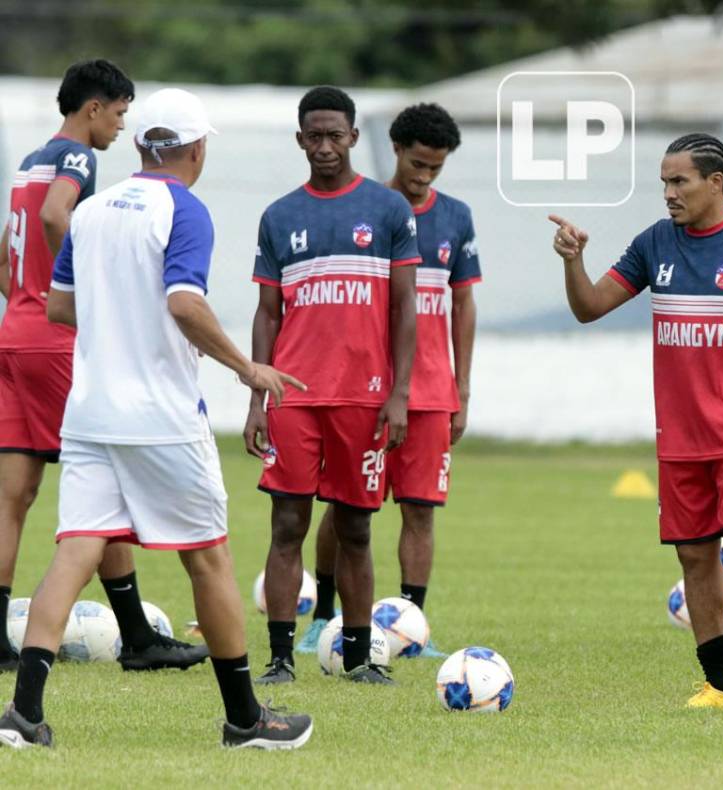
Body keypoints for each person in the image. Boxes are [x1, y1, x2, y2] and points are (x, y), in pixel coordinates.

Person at [0, 88, 312, 749]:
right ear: (195, 148)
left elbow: (58, 307)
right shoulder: (185, 209)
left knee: (73, 552)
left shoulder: (93, 212)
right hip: (162, 419)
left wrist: (116, 329)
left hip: (89, 414)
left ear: (142, 142)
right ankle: (246, 720)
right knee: (210, 561)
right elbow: (183, 303)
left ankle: (23, 714)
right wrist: (245, 367)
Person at [550, 133, 723, 710]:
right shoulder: (656, 242)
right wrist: (574, 259)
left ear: (715, 183)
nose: (668, 193)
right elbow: (589, 308)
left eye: (678, 181)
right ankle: (714, 681)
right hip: (679, 436)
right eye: (663, 182)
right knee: (694, 556)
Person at [0, 59, 207, 673]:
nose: (121, 128)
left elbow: (11, 238)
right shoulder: (77, 158)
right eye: (118, 114)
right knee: (108, 485)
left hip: (14, 334)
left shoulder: (27, 160)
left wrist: (20, 299)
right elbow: (55, 216)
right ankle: (138, 636)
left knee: (14, 496)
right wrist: (86, 288)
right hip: (56, 338)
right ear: (94, 108)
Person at [244, 86, 419, 685]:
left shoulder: (389, 210)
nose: (324, 146)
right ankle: (278, 659)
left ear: (351, 137)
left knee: (356, 527)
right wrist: (256, 397)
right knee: (287, 525)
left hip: (363, 398)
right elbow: (268, 313)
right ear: (300, 140)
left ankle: (358, 654)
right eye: (313, 136)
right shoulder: (279, 216)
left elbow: (405, 309)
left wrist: (399, 395)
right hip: (293, 396)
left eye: (334, 135)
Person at [300, 103, 479, 657]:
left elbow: (463, 302)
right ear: (396, 150)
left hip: (430, 391)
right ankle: (323, 615)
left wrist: (462, 388)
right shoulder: (367, 209)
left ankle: (412, 625)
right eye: (418, 164)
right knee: (346, 503)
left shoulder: (456, 217)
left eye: (435, 168)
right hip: (368, 388)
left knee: (421, 508)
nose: (424, 177)